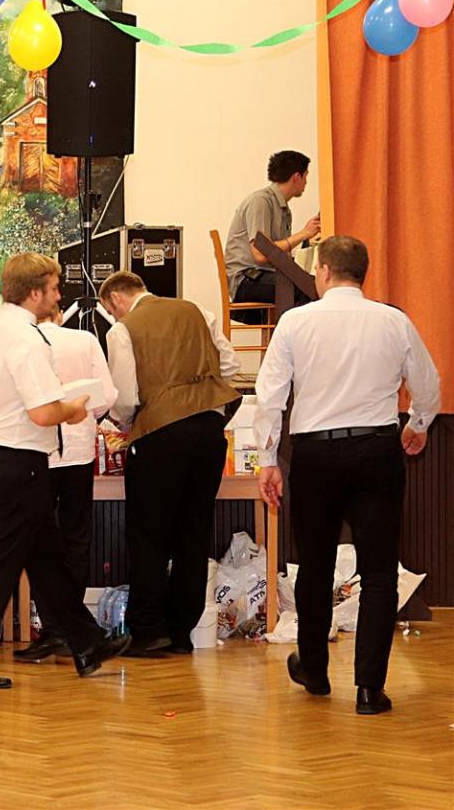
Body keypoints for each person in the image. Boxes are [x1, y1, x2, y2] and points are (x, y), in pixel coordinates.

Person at [254, 236, 440, 716]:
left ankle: (314, 670)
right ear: (363, 273)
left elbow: (270, 395)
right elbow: (428, 385)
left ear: (322, 270)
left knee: (314, 566)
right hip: (377, 450)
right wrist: (418, 425)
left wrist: (267, 459)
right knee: (378, 572)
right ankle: (369, 690)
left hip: (315, 454)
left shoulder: (295, 322)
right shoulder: (393, 320)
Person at [0, 254, 128, 689]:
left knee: (46, 558)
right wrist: (74, 409)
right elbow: (43, 412)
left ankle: (87, 642)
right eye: (55, 288)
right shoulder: (27, 338)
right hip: (18, 459)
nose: (59, 297)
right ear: (35, 292)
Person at [100, 270, 240, 658]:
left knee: (149, 533)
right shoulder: (199, 311)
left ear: (115, 300)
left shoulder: (123, 329)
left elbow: (125, 397)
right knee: (194, 532)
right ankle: (181, 631)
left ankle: (149, 630)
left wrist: (125, 425)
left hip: (159, 433)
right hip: (209, 430)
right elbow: (230, 367)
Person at [13, 305, 117, 664]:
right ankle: (72, 630)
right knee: (75, 540)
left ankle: (53, 627)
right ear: (59, 313)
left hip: (35, 452)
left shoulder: (21, 340)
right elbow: (108, 396)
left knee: (39, 543)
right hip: (77, 452)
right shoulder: (84, 340)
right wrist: (87, 416)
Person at [224, 150, 321, 312]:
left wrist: (306, 240)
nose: (306, 183)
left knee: (316, 284)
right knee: (308, 288)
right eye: (306, 177)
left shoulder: (283, 209)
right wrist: (303, 234)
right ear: (296, 177)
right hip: (247, 279)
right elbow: (261, 254)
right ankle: (291, 329)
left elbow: (279, 255)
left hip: (265, 275)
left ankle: (290, 328)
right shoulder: (261, 201)